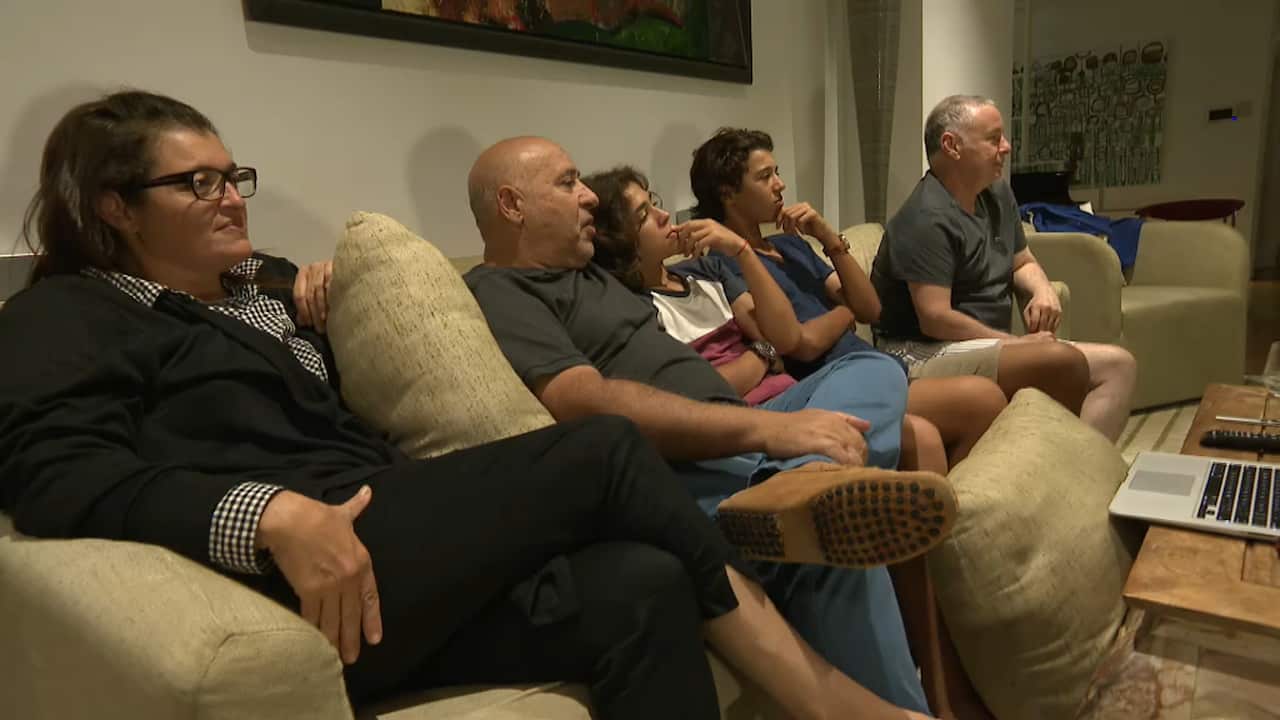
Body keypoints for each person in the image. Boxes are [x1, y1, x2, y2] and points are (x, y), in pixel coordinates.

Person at [0, 91, 926, 720]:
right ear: (115, 208)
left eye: (232, 177)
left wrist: (315, 286)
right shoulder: (68, 313)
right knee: (599, 451)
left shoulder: (264, 287)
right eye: (195, 183)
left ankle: (771, 517)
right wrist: (261, 514)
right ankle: (828, 701)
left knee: (640, 585)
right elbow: (52, 474)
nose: (229, 198)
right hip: (305, 555)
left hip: (387, 540)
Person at [463, 136, 953, 717]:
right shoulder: (500, 289)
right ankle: (802, 489)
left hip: (746, 430)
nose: (588, 196)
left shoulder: (590, 270)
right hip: (687, 460)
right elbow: (584, 402)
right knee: (839, 546)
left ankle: (805, 485)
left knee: (871, 366)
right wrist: (766, 434)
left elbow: (664, 257)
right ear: (512, 206)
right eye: (568, 183)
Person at [585, 164, 1004, 473]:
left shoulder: (710, 271)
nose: (662, 217)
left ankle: (816, 477)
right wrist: (763, 354)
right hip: (760, 414)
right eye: (643, 216)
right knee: (882, 377)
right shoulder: (635, 307)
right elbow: (775, 352)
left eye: (654, 204)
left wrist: (753, 252)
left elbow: (813, 326)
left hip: (802, 391)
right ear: (616, 240)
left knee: (887, 382)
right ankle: (809, 479)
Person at [683, 132, 1008, 466]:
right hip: (831, 383)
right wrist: (843, 313)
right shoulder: (724, 265)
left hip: (874, 366)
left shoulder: (791, 246)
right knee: (983, 399)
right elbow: (799, 343)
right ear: (728, 194)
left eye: (777, 172)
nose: (780, 185)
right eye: (765, 177)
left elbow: (869, 308)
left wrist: (826, 236)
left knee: (983, 402)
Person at [869, 95, 1138, 441]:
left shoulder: (996, 195)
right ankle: (1055, 463)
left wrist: (1041, 288)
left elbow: (1021, 261)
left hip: (978, 344)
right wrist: (1017, 344)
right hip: (917, 351)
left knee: (1119, 366)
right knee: (1059, 360)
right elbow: (935, 317)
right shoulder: (925, 218)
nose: (1007, 147)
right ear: (951, 146)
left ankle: (1081, 468)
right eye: (994, 139)